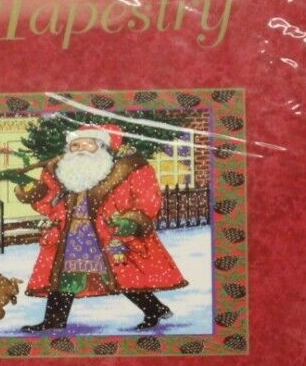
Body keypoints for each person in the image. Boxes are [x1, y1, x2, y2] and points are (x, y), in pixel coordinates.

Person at [14, 123, 186, 332]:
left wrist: (132, 219)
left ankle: (154, 309)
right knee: (65, 276)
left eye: (87, 144)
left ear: (101, 145)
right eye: (75, 145)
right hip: (72, 233)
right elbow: (50, 203)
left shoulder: (129, 168)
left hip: (108, 233)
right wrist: (33, 194)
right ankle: (54, 320)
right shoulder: (61, 171)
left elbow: (147, 197)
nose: (80, 149)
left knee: (120, 275)